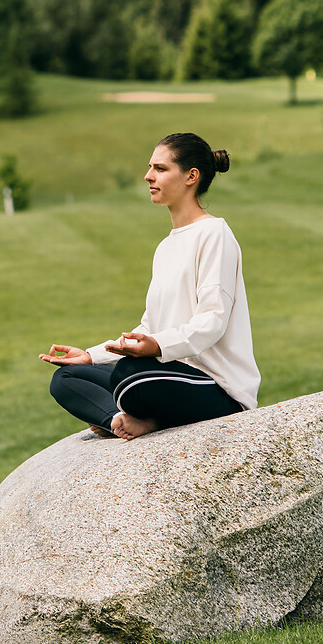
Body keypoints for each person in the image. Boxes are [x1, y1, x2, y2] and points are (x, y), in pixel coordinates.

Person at [39, 132, 260, 440]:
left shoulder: (214, 234)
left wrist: (156, 346)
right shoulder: (165, 247)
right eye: (150, 167)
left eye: (160, 168)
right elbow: (150, 326)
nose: (148, 176)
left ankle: (149, 420)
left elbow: (212, 320)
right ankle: (119, 420)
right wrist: (91, 356)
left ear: (191, 176)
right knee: (67, 378)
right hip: (164, 375)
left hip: (216, 387)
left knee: (130, 375)